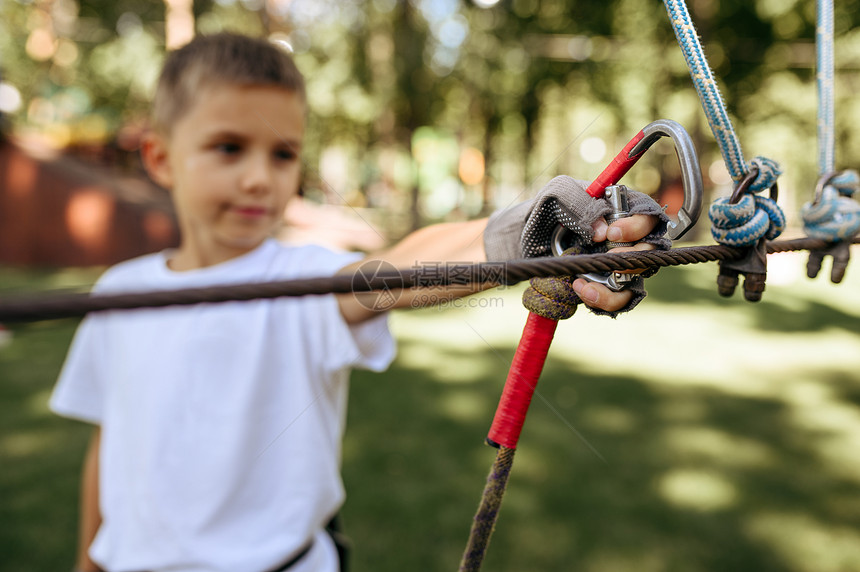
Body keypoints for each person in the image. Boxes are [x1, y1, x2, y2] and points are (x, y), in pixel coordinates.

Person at [50, 33, 668, 572]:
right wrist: (87, 558)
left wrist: (527, 234)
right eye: (229, 148)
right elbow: (111, 437)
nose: (261, 177)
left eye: (283, 153)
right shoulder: (117, 292)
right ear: (160, 156)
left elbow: (391, 272)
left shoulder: (303, 278)